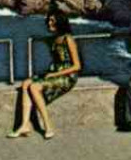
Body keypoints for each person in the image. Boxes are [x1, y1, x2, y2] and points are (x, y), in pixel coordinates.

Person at [11, 8, 81, 139]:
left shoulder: (68, 39)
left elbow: (77, 66)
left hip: (68, 76)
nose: (49, 23)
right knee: (26, 83)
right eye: (49, 20)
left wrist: (54, 75)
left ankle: (48, 126)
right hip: (55, 73)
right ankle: (25, 124)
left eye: (53, 21)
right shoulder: (54, 39)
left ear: (60, 22)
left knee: (34, 87)